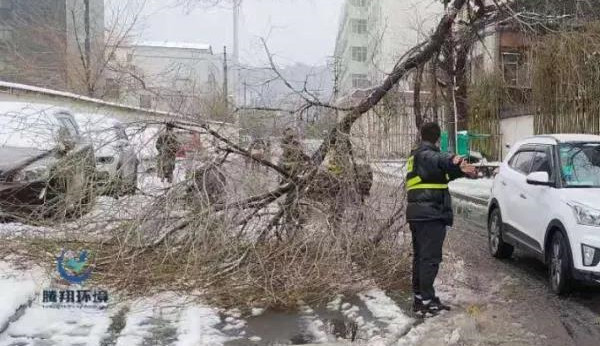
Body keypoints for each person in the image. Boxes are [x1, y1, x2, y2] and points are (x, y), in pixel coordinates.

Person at [406, 122, 477, 316]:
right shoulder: (425, 154)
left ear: (422, 135)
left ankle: (421, 298)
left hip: (420, 214)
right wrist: (453, 158)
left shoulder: (418, 157)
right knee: (429, 259)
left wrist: (462, 170)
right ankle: (426, 302)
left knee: (421, 258)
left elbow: (440, 174)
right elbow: (438, 159)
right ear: (437, 139)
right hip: (429, 215)